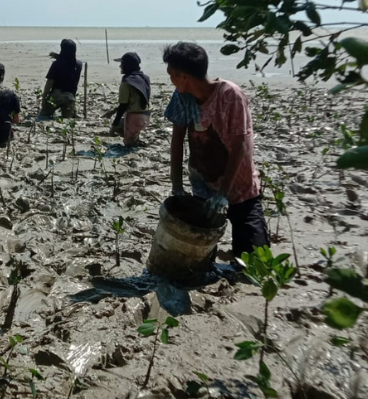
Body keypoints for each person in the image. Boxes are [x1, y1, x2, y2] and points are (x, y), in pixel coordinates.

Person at [163, 41, 269, 258]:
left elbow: (241, 145)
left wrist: (223, 195)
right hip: (203, 188)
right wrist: (177, 187)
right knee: (196, 257)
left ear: (183, 75)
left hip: (241, 189)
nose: (170, 79)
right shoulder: (181, 97)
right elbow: (177, 142)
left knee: (254, 262)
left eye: (171, 74)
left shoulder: (230, 95)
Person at [103, 52, 151, 146]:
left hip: (134, 117)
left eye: (122, 64)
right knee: (128, 128)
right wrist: (113, 111)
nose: (120, 66)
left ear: (127, 65)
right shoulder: (145, 78)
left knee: (128, 144)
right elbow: (137, 100)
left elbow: (123, 106)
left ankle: (132, 138)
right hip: (146, 117)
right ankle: (135, 136)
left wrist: (114, 125)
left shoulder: (126, 81)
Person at [38, 39, 83, 119]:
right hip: (70, 97)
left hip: (56, 96)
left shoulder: (56, 64)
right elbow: (69, 62)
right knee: (68, 117)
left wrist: (44, 97)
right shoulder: (79, 65)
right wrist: (59, 57)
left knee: (44, 115)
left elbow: (49, 82)